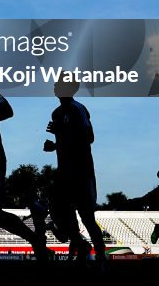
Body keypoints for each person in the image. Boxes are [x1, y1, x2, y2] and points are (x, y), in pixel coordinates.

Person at [42, 80, 106, 262]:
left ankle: (101, 258)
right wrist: (55, 145)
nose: (55, 87)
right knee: (60, 214)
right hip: (64, 171)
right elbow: (67, 140)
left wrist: (62, 132)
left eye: (59, 84)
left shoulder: (78, 109)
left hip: (81, 170)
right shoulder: (56, 113)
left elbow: (88, 137)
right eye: (55, 84)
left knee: (87, 217)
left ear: (71, 88)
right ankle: (81, 244)